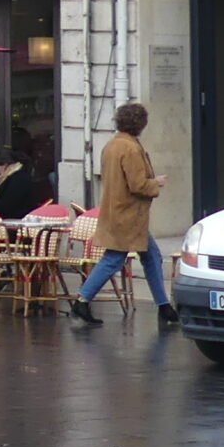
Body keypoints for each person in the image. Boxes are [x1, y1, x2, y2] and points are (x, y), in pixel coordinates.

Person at [72, 102, 175, 326]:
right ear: (140, 124)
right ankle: (82, 300)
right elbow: (137, 184)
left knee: (151, 256)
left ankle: (164, 306)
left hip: (117, 211)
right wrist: (155, 183)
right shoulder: (130, 148)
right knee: (114, 259)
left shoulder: (112, 145)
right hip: (128, 214)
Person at [0, 150, 50, 220]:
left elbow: (7, 205)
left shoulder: (18, 179)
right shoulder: (15, 177)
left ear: (7, 165)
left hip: (18, 221)